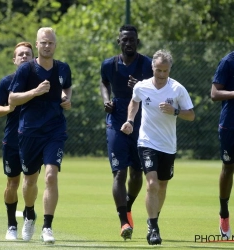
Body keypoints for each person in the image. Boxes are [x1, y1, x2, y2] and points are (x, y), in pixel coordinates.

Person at [121, 49, 195, 245]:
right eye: (158, 70)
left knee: (162, 186)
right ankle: (153, 228)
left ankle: (152, 218)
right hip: (146, 142)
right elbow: (134, 102)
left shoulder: (177, 89)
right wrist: (130, 120)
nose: (161, 75)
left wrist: (175, 111)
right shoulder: (142, 87)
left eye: (165, 71)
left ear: (170, 69)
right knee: (152, 183)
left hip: (168, 145)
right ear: (152, 67)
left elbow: (191, 114)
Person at [8, 27, 72, 244]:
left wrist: (66, 99)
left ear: (55, 45)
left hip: (55, 130)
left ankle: (47, 226)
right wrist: (34, 92)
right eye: (43, 42)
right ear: (37, 45)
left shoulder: (63, 68)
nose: (47, 46)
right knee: (29, 180)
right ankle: (29, 213)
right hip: (29, 131)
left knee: (51, 175)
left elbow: (67, 88)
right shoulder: (26, 70)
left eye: (51, 43)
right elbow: (12, 99)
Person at [100, 24, 153, 240]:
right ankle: (123, 221)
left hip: (141, 120)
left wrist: (141, 86)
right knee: (119, 172)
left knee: (136, 172)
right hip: (116, 118)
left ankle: (128, 205)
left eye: (132, 39)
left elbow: (157, 90)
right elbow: (104, 83)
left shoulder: (147, 64)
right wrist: (106, 100)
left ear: (137, 42)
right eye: (125, 39)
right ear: (118, 41)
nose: (129, 43)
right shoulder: (109, 64)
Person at [0, 42, 34, 240]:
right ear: (14, 60)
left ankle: (29, 213)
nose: (24, 57)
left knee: (30, 180)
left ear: (34, 58)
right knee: (12, 182)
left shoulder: (40, 83)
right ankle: (11, 225)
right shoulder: (6, 82)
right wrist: (9, 108)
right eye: (20, 54)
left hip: (34, 140)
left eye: (27, 54)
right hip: (12, 140)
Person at [211, 51, 234, 240]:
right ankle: (224, 213)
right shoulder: (228, 61)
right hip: (230, 125)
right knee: (228, 168)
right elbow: (214, 93)